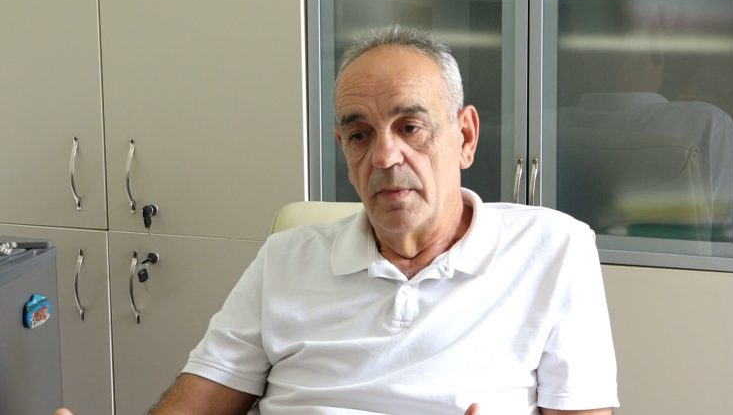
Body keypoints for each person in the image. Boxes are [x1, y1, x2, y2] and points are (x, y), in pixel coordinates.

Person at [57, 25, 618, 414]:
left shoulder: (553, 250)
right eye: (359, 135)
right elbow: (196, 404)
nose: (385, 156)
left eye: (410, 128)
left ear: (465, 136)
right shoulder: (286, 258)